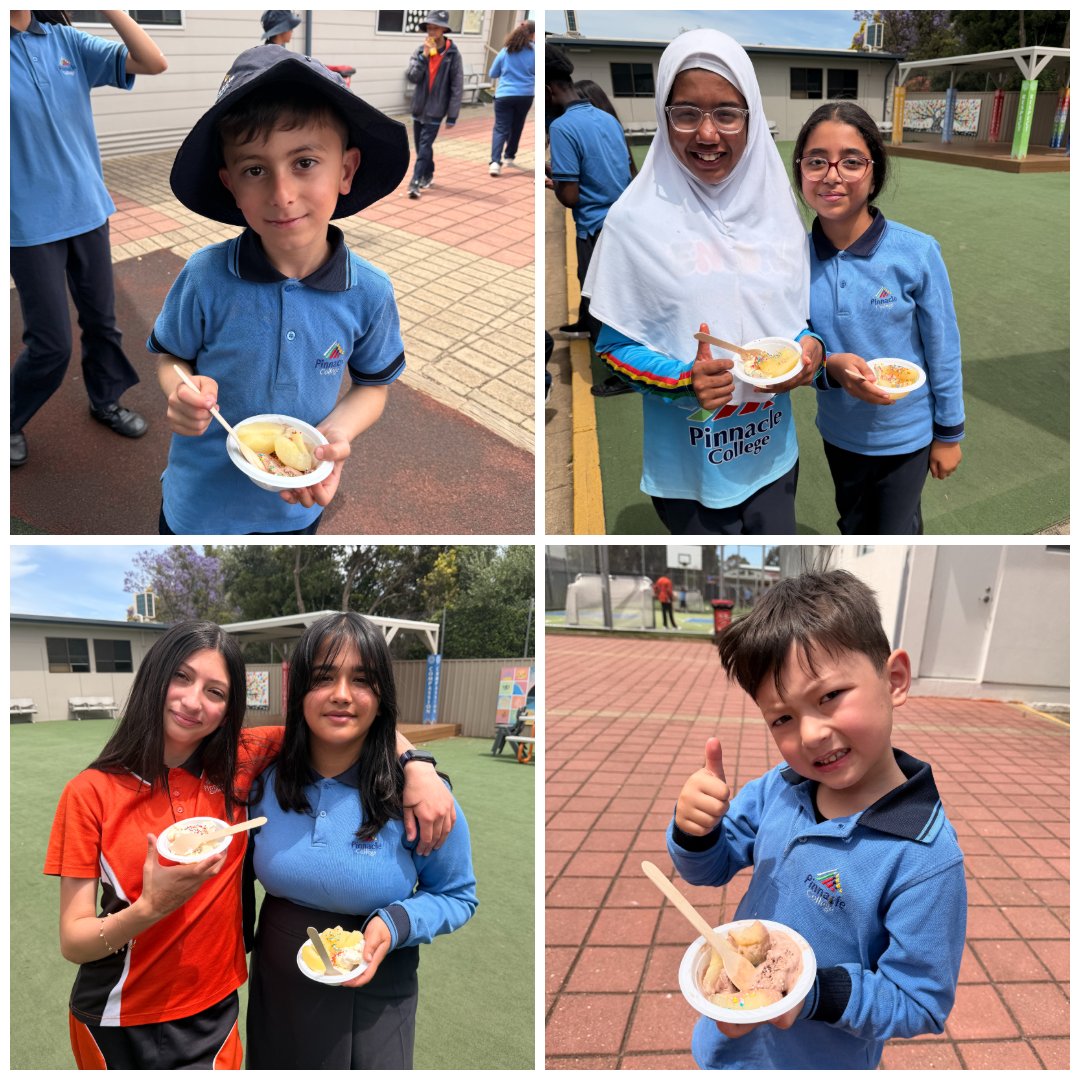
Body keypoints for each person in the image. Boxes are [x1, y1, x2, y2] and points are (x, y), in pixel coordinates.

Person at [44, 620, 453, 1070]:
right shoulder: (89, 792)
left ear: (228, 707)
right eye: (181, 677)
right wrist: (148, 910)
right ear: (154, 677)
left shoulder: (240, 763)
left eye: (216, 692)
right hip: (118, 1015)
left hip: (216, 1011)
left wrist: (418, 765)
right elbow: (73, 940)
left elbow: (346, 720)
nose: (193, 701)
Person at [670, 570, 965, 1069]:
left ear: (894, 680)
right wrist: (695, 830)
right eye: (782, 718)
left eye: (830, 697)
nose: (809, 734)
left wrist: (808, 993)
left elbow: (920, 1001)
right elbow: (707, 871)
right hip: (728, 1052)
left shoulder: (923, 857)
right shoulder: (778, 788)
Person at [149, 46, 411, 534]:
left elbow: (374, 386)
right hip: (199, 503)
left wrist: (336, 434)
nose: (282, 193)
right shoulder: (205, 276)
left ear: (346, 171)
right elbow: (171, 358)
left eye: (305, 162)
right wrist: (181, 392)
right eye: (254, 170)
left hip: (298, 500)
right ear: (230, 184)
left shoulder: (369, 292)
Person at [582, 30, 825, 535]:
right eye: (686, 113)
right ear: (664, 116)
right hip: (689, 472)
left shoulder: (777, 212)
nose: (708, 134)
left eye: (727, 113)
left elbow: (800, 319)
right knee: (720, 601)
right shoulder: (633, 222)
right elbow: (611, 348)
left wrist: (809, 350)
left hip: (772, 457)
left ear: (751, 118)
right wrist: (682, 380)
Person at [245, 612, 477, 1069]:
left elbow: (457, 895)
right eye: (324, 677)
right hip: (279, 985)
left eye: (362, 680)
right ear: (300, 692)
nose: (342, 695)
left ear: (381, 695)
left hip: (377, 989)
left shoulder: (422, 797)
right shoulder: (263, 780)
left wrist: (395, 922)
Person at [793, 103, 964, 534]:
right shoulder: (792, 258)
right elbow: (798, 347)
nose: (832, 175)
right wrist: (828, 367)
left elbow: (943, 348)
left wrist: (949, 434)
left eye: (851, 162)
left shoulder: (916, 251)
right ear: (800, 171)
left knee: (896, 531)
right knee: (852, 524)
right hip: (839, 432)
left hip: (907, 435)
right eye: (816, 161)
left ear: (874, 172)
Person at [9, 10, 168, 469]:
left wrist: (111, 8)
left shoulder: (67, 41)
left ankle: (106, 400)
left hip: (88, 211)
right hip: (25, 224)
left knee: (103, 322)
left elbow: (153, 62)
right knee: (51, 343)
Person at [546, 44, 631, 355]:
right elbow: (607, 170)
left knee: (599, 301)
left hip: (594, 231)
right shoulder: (606, 119)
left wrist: (556, 182)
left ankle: (616, 371)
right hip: (622, 223)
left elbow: (570, 196)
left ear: (547, 89)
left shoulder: (561, 126)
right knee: (617, 297)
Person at [405, 9, 463, 199]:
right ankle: (428, 173)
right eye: (429, 27)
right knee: (423, 147)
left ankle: (415, 182)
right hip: (419, 108)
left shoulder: (453, 54)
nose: (431, 31)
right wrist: (423, 57)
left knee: (424, 147)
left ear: (443, 30)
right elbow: (412, 77)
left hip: (437, 110)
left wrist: (452, 115)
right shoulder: (419, 51)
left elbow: (457, 85)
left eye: (435, 28)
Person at [488, 19, 534, 176]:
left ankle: (495, 162)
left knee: (501, 128)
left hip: (504, 95)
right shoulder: (535, 51)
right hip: (525, 95)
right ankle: (509, 156)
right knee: (517, 125)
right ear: (533, 35)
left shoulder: (506, 50)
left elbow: (493, 73)